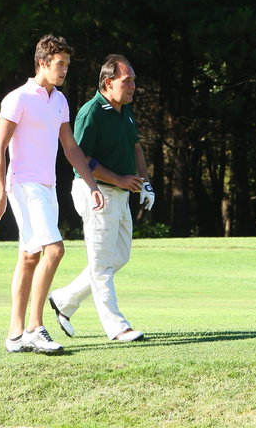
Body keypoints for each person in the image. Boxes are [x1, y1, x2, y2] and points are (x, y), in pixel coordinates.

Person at [0, 34, 105, 354]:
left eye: (67, 64)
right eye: (60, 64)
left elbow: (70, 147)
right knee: (54, 250)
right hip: (24, 186)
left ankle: (15, 335)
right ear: (43, 62)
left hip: (48, 187)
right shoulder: (18, 98)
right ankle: (34, 328)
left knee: (29, 257)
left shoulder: (60, 101)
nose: (65, 70)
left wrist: (92, 184)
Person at [48, 54, 154, 343]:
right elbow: (81, 159)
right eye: (127, 81)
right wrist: (118, 179)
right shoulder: (91, 112)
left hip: (120, 193)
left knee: (120, 256)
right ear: (108, 83)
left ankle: (65, 299)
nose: (133, 86)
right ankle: (117, 326)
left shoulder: (125, 110)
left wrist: (145, 182)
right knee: (102, 263)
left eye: (133, 80)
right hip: (95, 191)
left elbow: (135, 146)